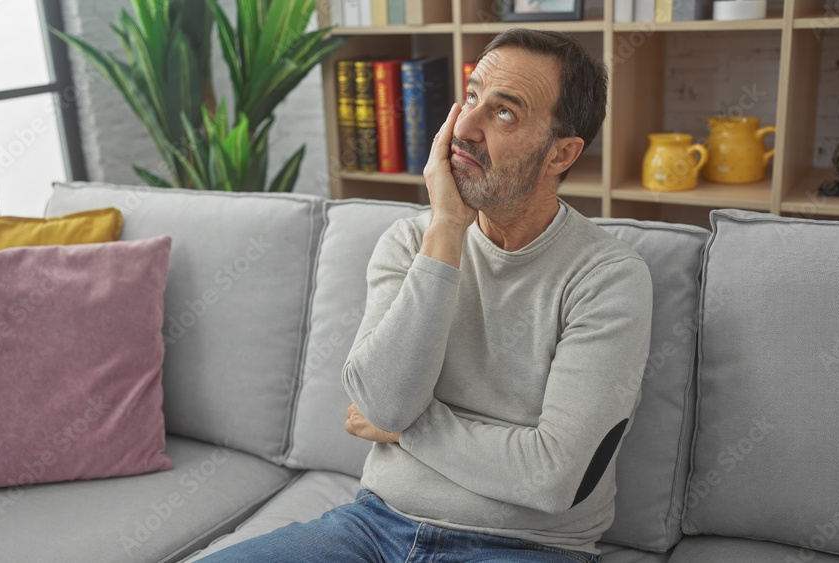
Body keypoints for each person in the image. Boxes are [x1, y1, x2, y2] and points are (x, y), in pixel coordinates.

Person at [201, 28, 653, 562]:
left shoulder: (607, 278)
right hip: (371, 527)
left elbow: (553, 477)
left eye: (503, 112)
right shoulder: (410, 242)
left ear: (562, 153)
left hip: (523, 548)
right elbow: (384, 401)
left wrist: (405, 430)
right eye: (471, 96)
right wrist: (445, 230)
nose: (465, 126)